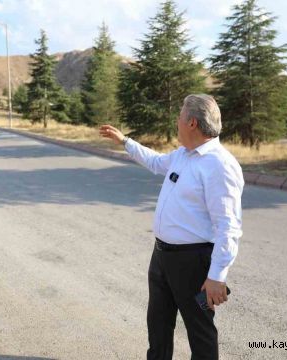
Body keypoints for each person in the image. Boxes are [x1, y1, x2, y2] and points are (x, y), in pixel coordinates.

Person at [99, 94, 244, 360]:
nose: (175, 122)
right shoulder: (183, 155)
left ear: (191, 123)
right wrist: (125, 142)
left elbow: (228, 226)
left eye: (179, 116)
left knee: (200, 332)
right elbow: (155, 162)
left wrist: (217, 276)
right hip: (162, 255)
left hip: (193, 261)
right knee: (158, 323)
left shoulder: (219, 165)